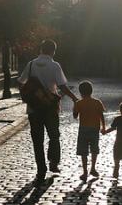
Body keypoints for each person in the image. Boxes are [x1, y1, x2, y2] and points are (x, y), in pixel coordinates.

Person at [18, 40, 78, 180]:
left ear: (41, 49)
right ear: (53, 51)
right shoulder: (54, 65)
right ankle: (53, 162)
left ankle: (41, 169)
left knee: (37, 140)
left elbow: (21, 82)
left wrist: (29, 96)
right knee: (54, 136)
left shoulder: (31, 64)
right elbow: (62, 86)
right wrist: (74, 98)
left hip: (33, 108)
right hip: (50, 107)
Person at [72, 81, 106, 179]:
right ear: (91, 91)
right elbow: (101, 115)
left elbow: (75, 116)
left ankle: (85, 172)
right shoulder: (97, 102)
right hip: (95, 128)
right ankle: (93, 168)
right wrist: (103, 127)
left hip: (83, 129)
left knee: (83, 151)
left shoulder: (79, 103)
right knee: (94, 149)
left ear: (80, 92)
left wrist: (74, 105)